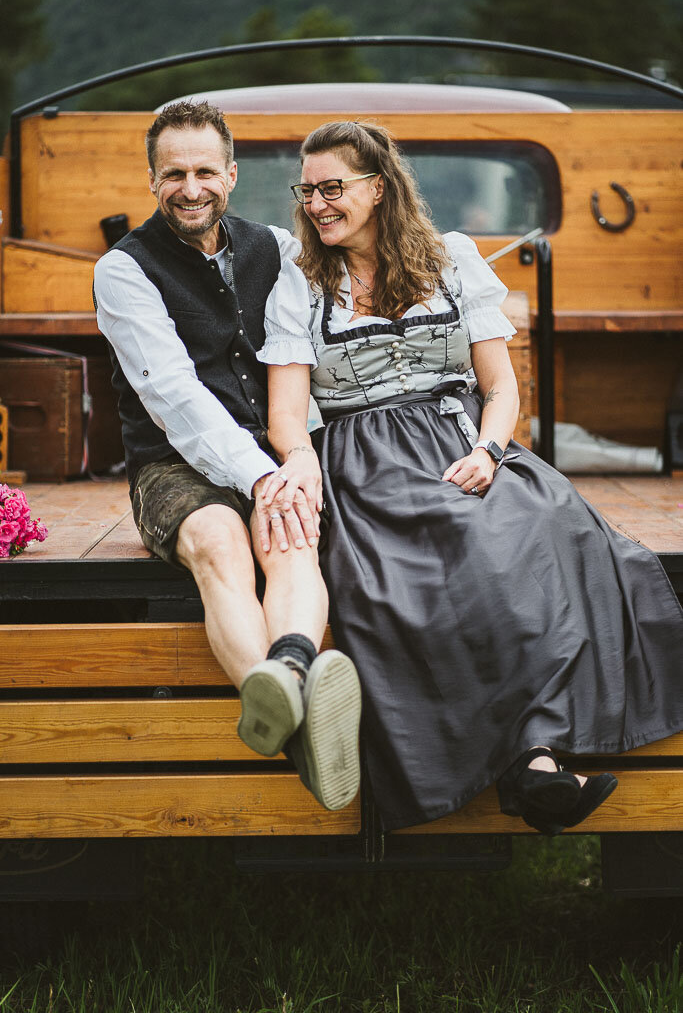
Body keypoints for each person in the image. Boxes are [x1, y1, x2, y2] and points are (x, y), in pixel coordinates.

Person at [257, 119, 683, 834]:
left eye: (332, 188)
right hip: (361, 457)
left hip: (459, 436)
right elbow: (286, 413)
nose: (317, 205)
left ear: (378, 186)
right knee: (437, 565)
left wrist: (489, 450)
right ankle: (532, 764)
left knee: (544, 534)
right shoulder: (297, 281)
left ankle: (535, 761)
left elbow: (499, 387)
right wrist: (301, 466)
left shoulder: (451, 257)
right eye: (307, 193)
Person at [93, 102, 362, 813]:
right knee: (220, 543)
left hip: (271, 450)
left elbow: (298, 359)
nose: (190, 187)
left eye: (205, 170)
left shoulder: (275, 247)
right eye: (173, 172)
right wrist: (262, 475)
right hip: (173, 463)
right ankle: (295, 717)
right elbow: (174, 398)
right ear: (152, 180)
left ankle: (286, 677)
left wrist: (293, 458)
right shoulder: (123, 271)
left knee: (293, 537)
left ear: (231, 175)